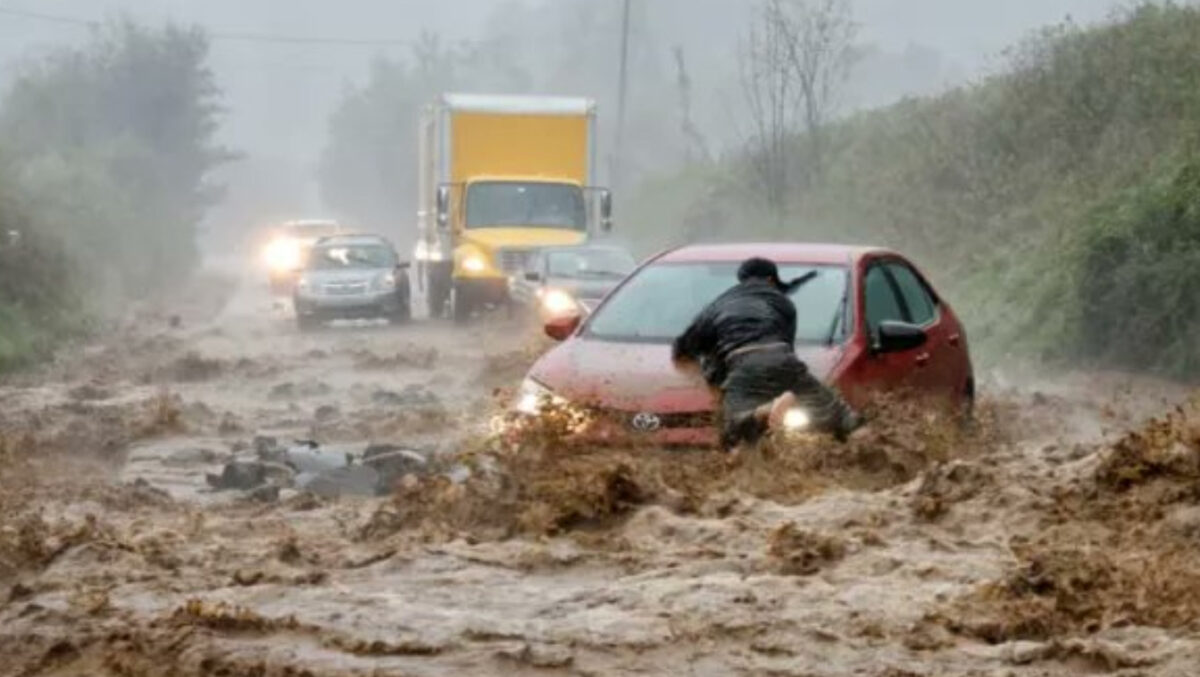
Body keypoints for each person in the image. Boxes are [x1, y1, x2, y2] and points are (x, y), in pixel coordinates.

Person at [672, 257, 862, 453]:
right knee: (842, 416)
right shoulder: (783, 303)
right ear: (772, 280)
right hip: (783, 358)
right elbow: (786, 348)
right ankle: (871, 448)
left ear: (742, 281)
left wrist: (708, 377)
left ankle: (763, 412)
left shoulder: (718, 305)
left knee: (732, 432)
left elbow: (682, 349)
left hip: (743, 363)